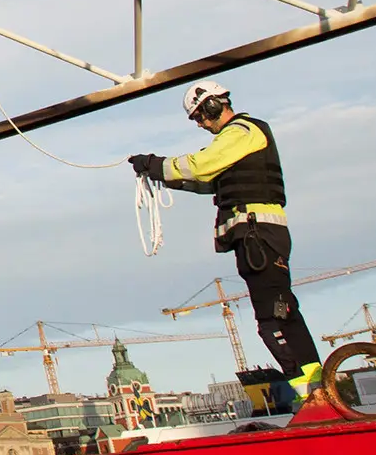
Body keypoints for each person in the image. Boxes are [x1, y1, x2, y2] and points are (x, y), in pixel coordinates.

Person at [130, 82, 323, 397]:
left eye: (200, 117)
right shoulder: (239, 142)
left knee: (272, 319)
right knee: (281, 309)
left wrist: (155, 164)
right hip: (258, 238)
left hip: (256, 236)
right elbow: (207, 180)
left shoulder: (240, 133)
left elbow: (201, 165)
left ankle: (310, 391)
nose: (201, 124)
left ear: (212, 106)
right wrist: (163, 175)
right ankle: (314, 382)